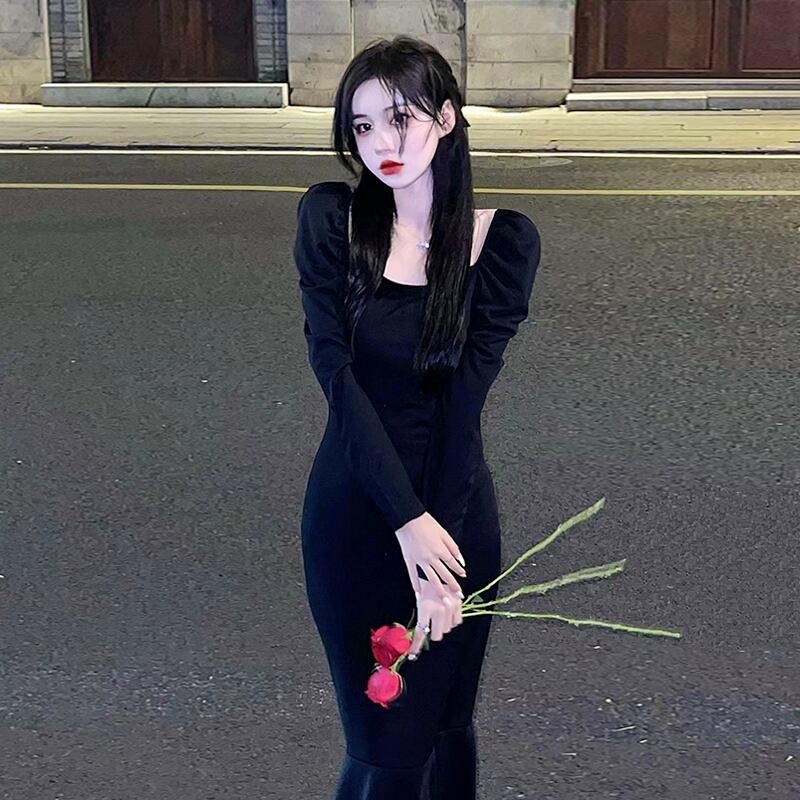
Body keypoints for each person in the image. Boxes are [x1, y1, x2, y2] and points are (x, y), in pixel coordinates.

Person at [293, 35, 541, 800]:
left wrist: (441, 554)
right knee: (385, 750)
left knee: (445, 727)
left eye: (399, 118)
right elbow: (337, 378)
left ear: (447, 117)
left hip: (454, 515)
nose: (381, 144)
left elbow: (464, 407)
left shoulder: (502, 242)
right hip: (355, 516)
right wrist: (406, 522)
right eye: (363, 126)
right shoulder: (332, 219)